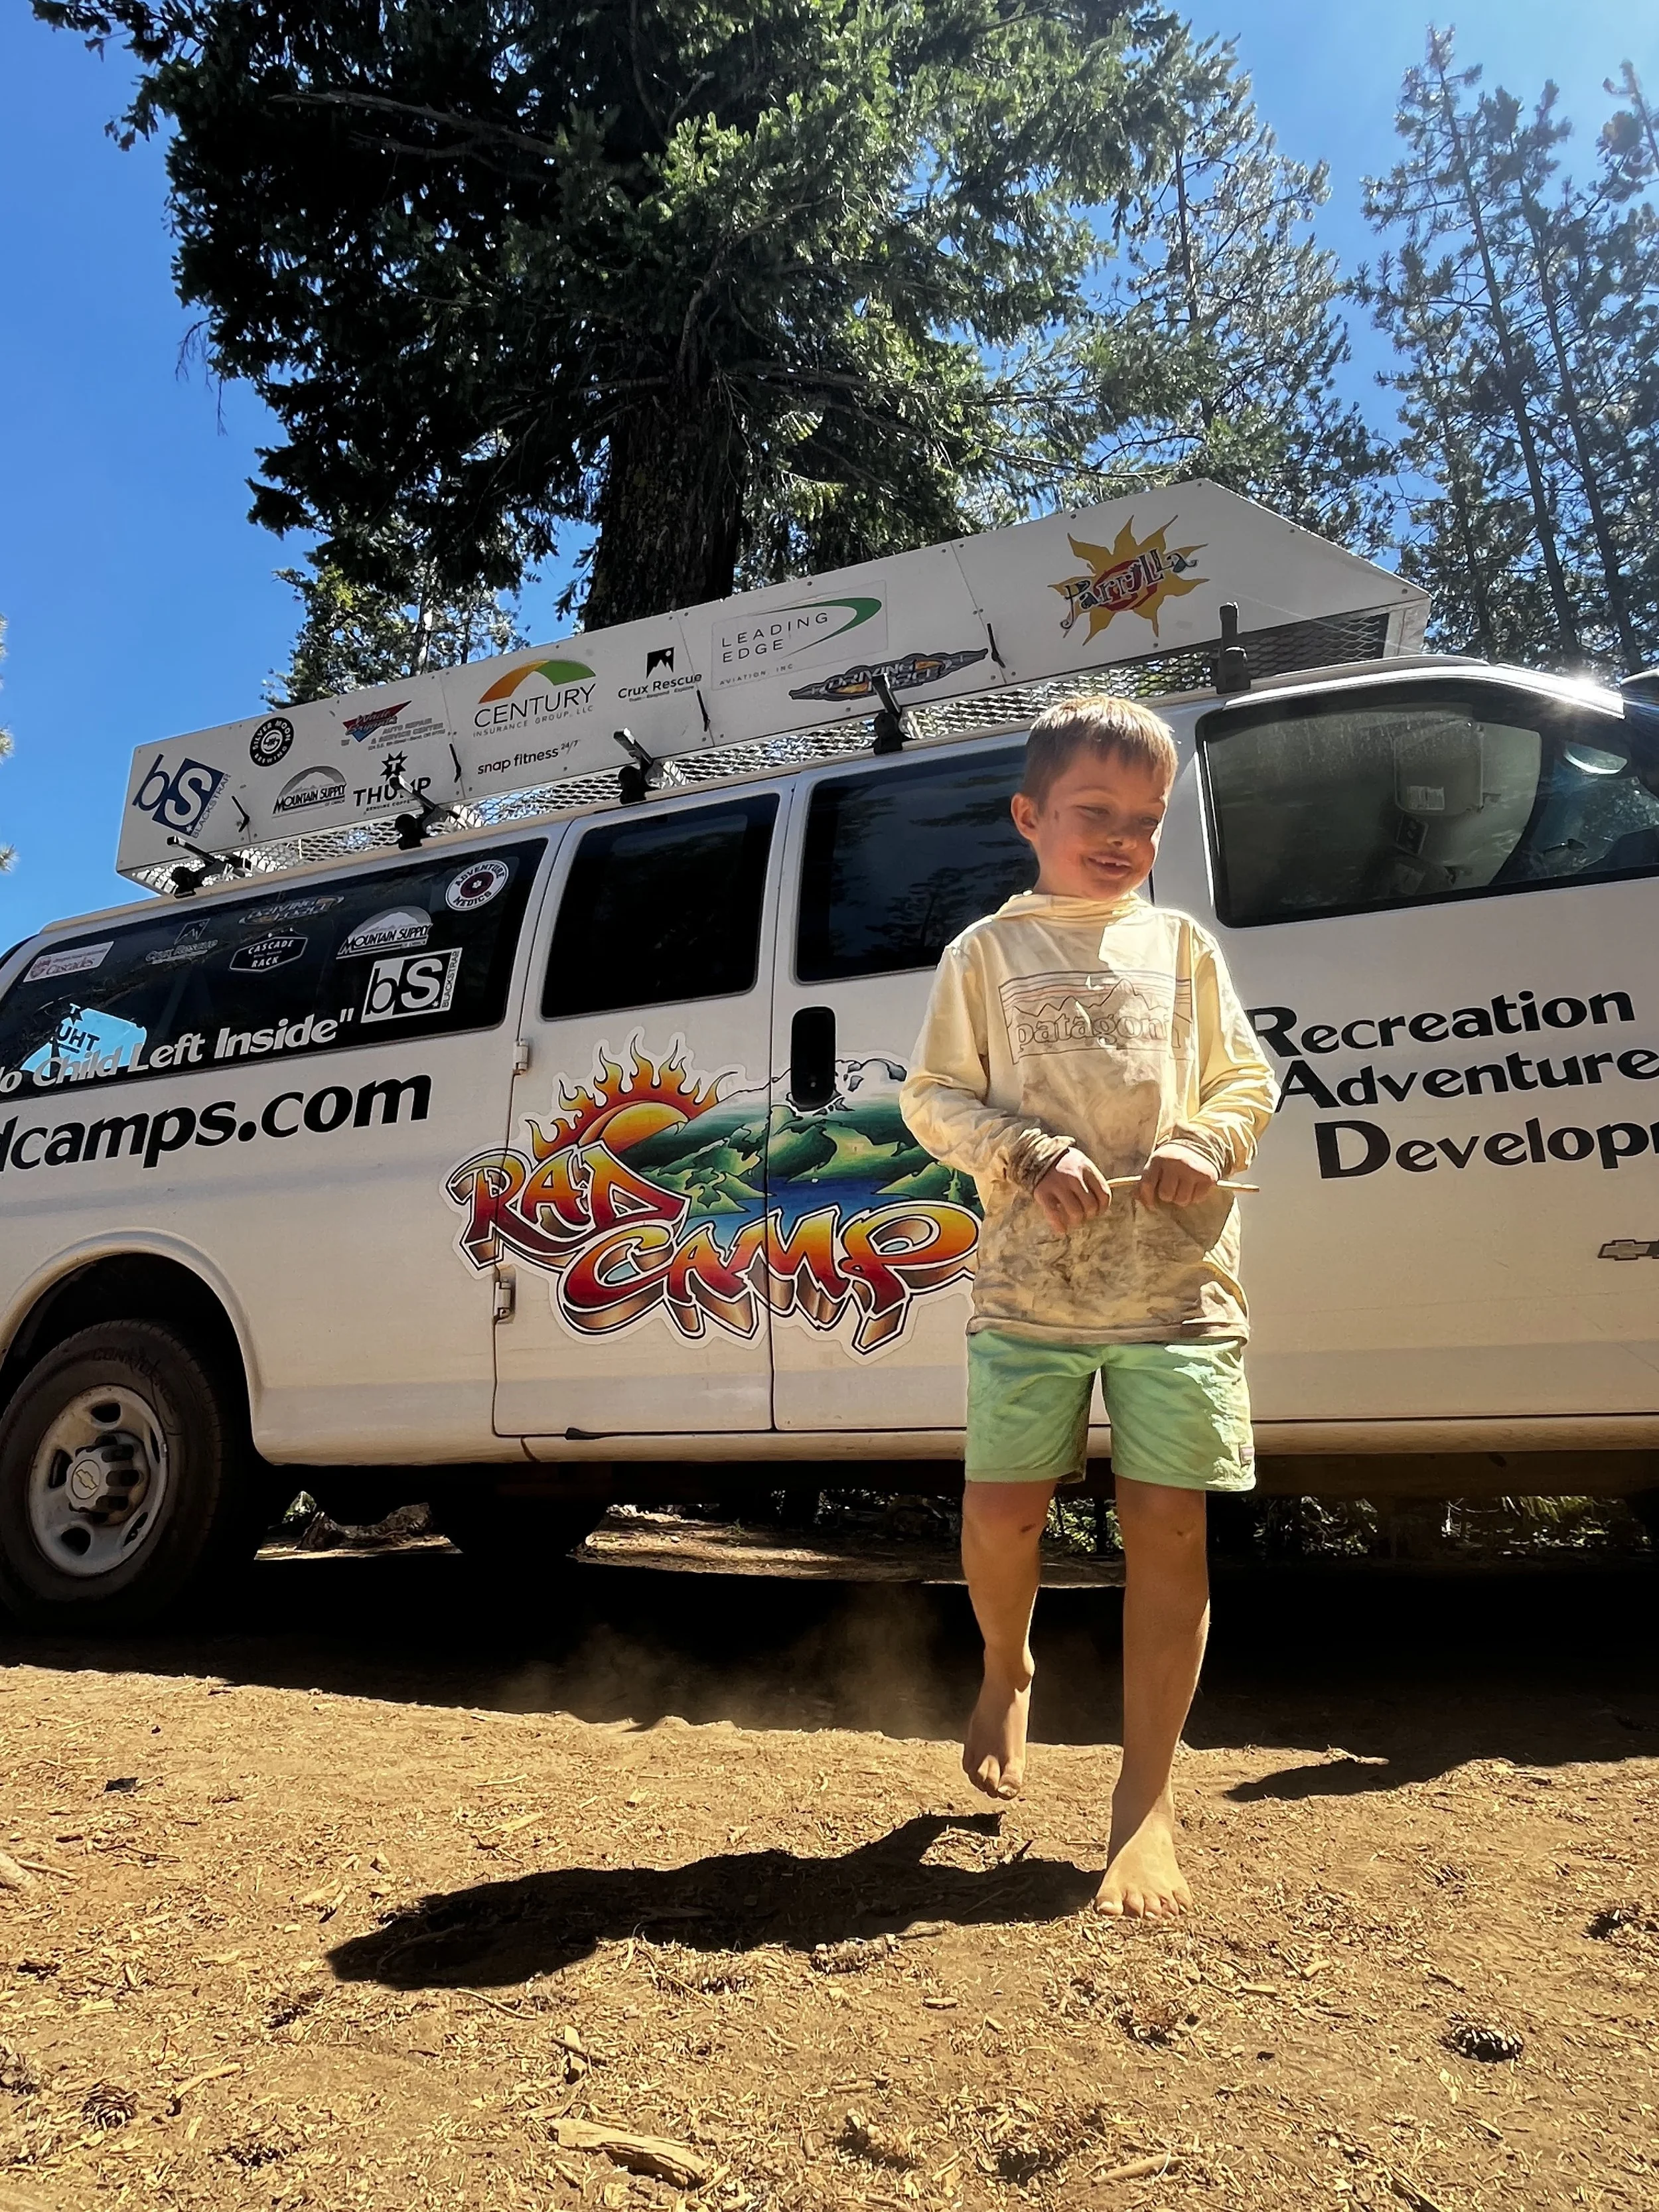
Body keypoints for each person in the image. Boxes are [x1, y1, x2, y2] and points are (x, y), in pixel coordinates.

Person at [899, 696, 1277, 1917]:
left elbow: (1245, 1078)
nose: (1120, 838)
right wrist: (1021, 1152)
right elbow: (931, 1100)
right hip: (1030, 1288)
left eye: (1145, 819)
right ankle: (1007, 1664)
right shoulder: (983, 955)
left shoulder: (1183, 948)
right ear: (1031, 817)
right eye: (1092, 814)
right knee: (1006, 1516)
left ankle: (1144, 1804)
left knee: (1169, 1533)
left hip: (1177, 1288)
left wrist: (1205, 1138)